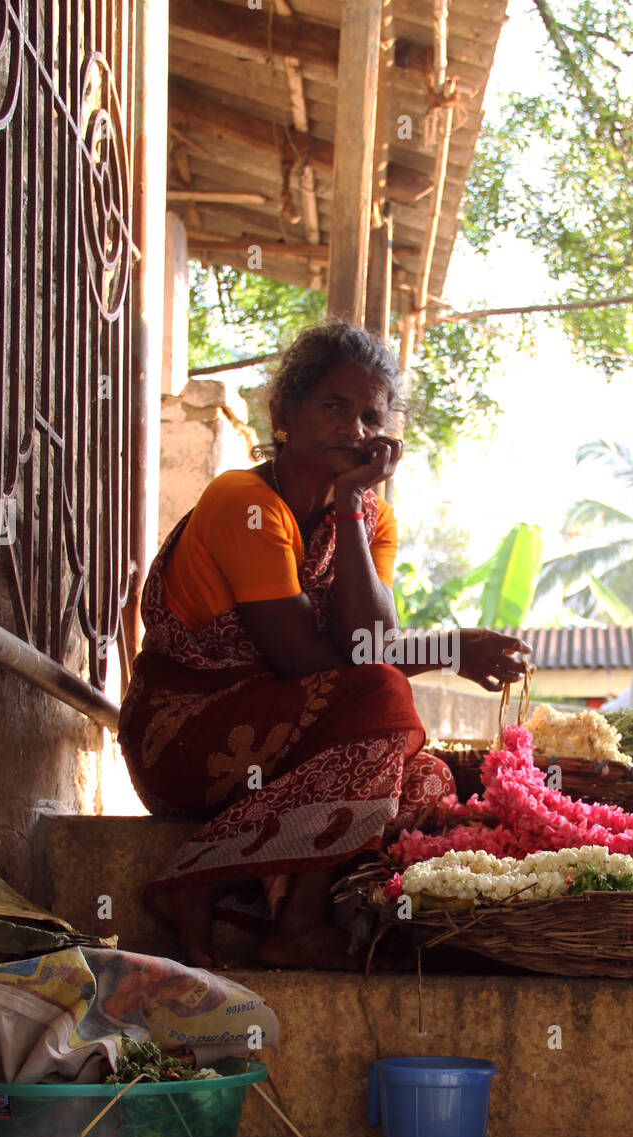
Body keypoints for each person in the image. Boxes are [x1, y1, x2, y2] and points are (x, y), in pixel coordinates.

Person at [118, 320, 532, 970]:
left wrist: (347, 508)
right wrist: (449, 650)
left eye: (372, 415)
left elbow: (363, 642)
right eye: (334, 406)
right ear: (283, 412)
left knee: (424, 779)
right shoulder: (243, 503)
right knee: (382, 696)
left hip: (281, 743)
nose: (356, 430)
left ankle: (227, 888)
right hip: (182, 743)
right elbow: (307, 664)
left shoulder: (368, 518)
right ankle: (292, 920)